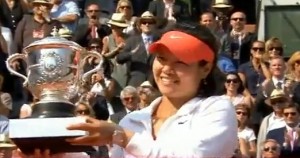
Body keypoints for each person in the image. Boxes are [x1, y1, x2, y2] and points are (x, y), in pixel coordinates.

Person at [20, 22, 238, 157]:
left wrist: (120, 136)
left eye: (180, 62)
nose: (167, 69)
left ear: (206, 68)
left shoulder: (217, 109)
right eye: (161, 59)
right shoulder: (131, 121)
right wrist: (58, 154)